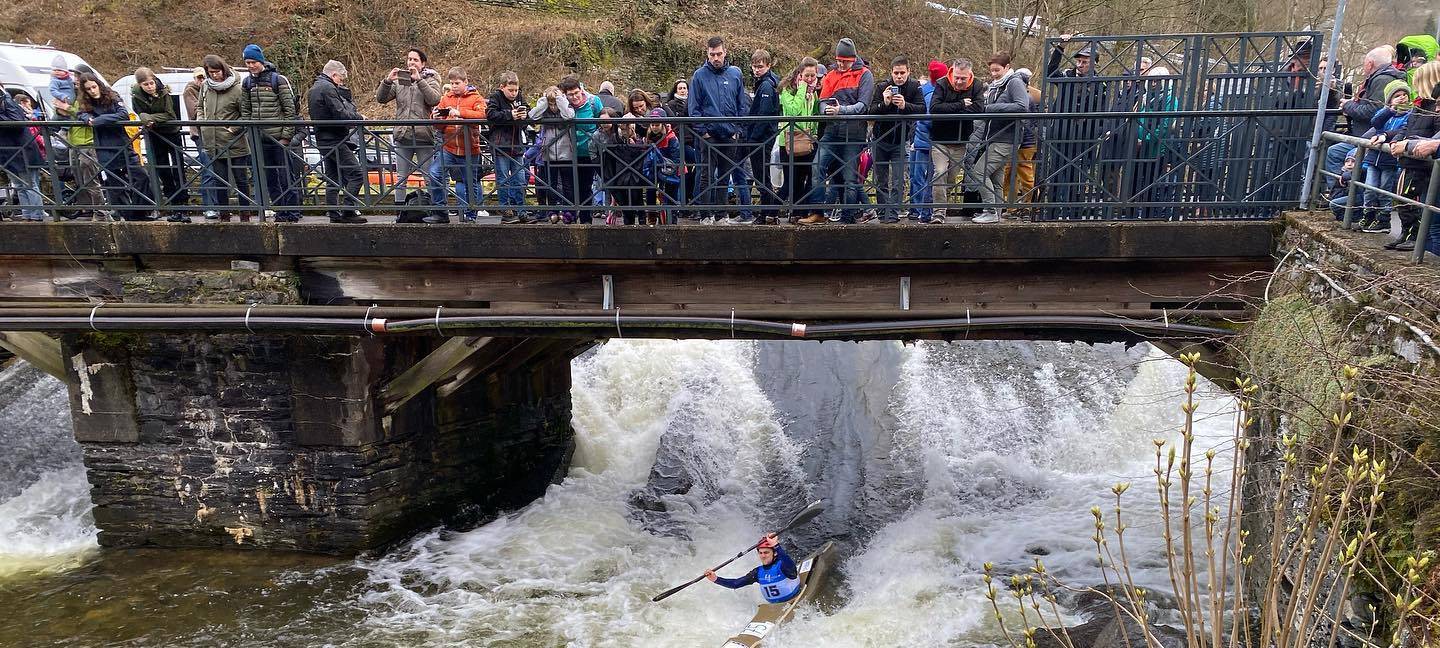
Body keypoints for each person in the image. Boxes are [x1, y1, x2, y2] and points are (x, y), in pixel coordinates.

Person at [800, 38, 873, 225]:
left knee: (850, 177)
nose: (841, 64)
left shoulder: (865, 75)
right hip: (832, 130)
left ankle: (848, 217)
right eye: (839, 60)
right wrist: (826, 110)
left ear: (853, 58)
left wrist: (841, 111)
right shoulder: (831, 75)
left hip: (854, 132)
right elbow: (823, 100)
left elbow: (863, 105)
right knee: (817, 166)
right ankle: (818, 212)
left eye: (845, 61)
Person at [77, 72, 157, 221]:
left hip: (122, 143)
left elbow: (122, 115)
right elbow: (80, 115)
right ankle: (127, 215)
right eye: (89, 89)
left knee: (141, 176)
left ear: (99, 85)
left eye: (94, 87)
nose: (93, 91)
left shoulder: (112, 96)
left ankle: (142, 211)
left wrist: (98, 120)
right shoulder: (85, 105)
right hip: (104, 147)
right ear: (85, 91)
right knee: (115, 185)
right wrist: (88, 118)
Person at [688, 36, 752, 224]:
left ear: (725, 53)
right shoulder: (699, 75)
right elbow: (694, 107)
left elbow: (742, 103)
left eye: (719, 54)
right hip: (709, 135)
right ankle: (706, 214)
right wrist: (703, 131)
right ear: (707, 54)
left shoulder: (735, 74)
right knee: (707, 176)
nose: (716, 58)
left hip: (729, 133)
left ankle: (721, 214)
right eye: (712, 54)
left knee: (724, 176)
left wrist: (737, 129)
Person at [376, 47, 442, 221]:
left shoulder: (432, 79)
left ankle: (434, 211)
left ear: (423, 63)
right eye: (409, 59)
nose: (411, 62)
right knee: (400, 178)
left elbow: (434, 99)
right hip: (403, 134)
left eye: (415, 60)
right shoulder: (400, 80)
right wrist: (387, 81)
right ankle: (400, 213)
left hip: (423, 135)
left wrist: (419, 80)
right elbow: (381, 99)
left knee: (429, 176)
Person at [965, 51, 1030, 223]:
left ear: (1007, 67)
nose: (993, 74)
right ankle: (996, 214)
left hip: (1005, 139)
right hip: (996, 138)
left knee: (979, 172)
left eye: (997, 70)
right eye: (991, 70)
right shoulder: (998, 85)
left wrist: (991, 108)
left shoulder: (1014, 82)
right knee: (996, 178)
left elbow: (1022, 107)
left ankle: (991, 211)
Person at [1045, 35, 1107, 214]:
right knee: (1056, 170)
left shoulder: (1100, 83)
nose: (1080, 65)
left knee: (1078, 174)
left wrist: (1098, 130)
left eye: (1085, 62)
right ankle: (1052, 209)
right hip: (1061, 131)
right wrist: (1061, 47)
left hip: (1083, 135)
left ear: (1094, 64)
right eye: (1079, 61)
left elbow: (1102, 110)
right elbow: (1050, 71)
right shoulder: (1066, 76)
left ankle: (1073, 210)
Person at [239, 44, 302, 222]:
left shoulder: (278, 80)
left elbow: (290, 111)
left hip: (278, 138)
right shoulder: (247, 83)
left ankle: (293, 212)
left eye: (253, 62)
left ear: (261, 61)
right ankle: (280, 211)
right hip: (259, 139)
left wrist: (286, 137)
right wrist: (249, 130)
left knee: (286, 177)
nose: (250, 66)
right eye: (247, 62)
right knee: (270, 179)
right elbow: (246, 109)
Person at [1382, 62, 1440, 252]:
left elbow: (1433, 138)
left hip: (1422, 166)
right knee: (1402, 199)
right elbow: (1406, 127)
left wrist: (1408, 144)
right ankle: (1406, 234)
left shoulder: (1433, 108)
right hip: (1409, 161)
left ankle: (1415, 239)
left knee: (1418, 207)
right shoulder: (1419, 106)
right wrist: (1395, 141)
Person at [308, 59, 366, 224]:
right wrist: (359, 118)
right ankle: (348, 211)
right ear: (334, 75)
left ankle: (334, 213)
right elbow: (340, 114)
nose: (341, 82)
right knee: (356, 174)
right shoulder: (328, 88)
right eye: (341, 79)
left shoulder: (314, 88)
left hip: (323, 138)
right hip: (334, 139)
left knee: (334, 177)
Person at [926, 58, 984, 223]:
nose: (958, 81)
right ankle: (938, 212)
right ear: (952, 72)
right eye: (957, 77)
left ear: (969, 75)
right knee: (940, 173)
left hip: (961, 141)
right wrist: (960, 104)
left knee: (951, 177)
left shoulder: (977, 85)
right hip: (940, 139)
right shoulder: (942, 83)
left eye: (963, 79)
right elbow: (935, 108)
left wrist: (951, 109)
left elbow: (979, 108)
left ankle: (943, 204)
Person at [197, 56, 254, 222]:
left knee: (241, 179)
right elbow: (200, 107)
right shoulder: (205, 87)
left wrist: (233, 129)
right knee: (219, 180)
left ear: (224, 69)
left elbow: (246, 114)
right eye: (211, 72)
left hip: (234, 141)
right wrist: (201, 122)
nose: (214, 75)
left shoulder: (237, 89)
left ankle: (245, 213)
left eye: (217, 71)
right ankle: (224, 214)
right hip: (212, 141)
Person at [869, 56, 925, 223]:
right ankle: (882, 213)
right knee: (880, 179)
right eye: (896, 73)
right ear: (891, 72)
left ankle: (892, 213)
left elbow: (922, 109)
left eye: (902, 73)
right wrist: (884, 104)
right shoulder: (881, 87)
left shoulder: (914, 87)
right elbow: (870, 112)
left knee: (899, 179)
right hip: (880, 139)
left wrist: (904, 106)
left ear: (908, 72)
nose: (899, 76)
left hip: (901, 140)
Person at [131, 67, 190, 220]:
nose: (150, 87)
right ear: (140, 85)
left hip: (171, 132)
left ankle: (183, 204)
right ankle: (172, 204)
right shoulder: (136, 96)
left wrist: (149, 117)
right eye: (146, 85)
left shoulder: (163, 91)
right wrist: (145, 117)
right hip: (155, 135)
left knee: (178, 168)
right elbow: (139, 112)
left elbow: (170, 115)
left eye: (151, 83)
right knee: (162, 169)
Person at [430, 66, 487, 223]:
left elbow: (482, 115)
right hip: (449, 146)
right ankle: (440, 211)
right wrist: (435, 117)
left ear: (465, 82)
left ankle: (471, 214)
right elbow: (438, 126)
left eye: (457, 83)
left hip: (470, 148)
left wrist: (460, 113)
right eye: (452, 83)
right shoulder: (445, 98)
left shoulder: (476, 98)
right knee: (434, 173)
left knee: (470, 182)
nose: (454, 86)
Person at [1355, 80, 1414, 234]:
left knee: (1384, 189)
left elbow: (1403, 131)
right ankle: (1368, 215)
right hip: (1374, 157)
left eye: (1404, 95)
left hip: (1389, 160)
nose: (1402, 98)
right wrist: (1390, 109)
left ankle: (1383, 219)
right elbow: (1376, 122)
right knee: (1370, 188)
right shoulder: (1386, 113)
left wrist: (1385, 137)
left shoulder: (1410, 115)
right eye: (1397, 96)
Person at [486, 71, 533, 224]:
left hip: (517, 143)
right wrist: (510, 115)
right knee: (503, 179)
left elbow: (528, 110)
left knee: (520, 179)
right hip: (500, 144)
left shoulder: (519, 97)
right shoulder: (495, 97)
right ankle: (506, 211)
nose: (513, 93)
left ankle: (521, 210)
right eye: (510, 90)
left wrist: (525, 115)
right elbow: (491, 114)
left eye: (516, 90)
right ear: (502, 88)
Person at [528, 84, 577, 223]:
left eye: (555, 103)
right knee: (551, 184)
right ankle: (553, 210)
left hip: (566, 151)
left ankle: (569, 210)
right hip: (548, 152)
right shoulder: (545, 108)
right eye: (551, 104)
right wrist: (544, 102)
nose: (553, 107)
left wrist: (560, 100)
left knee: (568, 184)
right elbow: (532, 116)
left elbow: (569, 116)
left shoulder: (564, 105)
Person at [779, 57, 820, 223]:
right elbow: (794, 111)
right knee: (791, 181)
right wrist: (802, 88)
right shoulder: (787, 90)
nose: (810, 79)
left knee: (806, 179)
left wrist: (815, 134)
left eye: (812, 76)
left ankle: (800, 213)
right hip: (789, 142)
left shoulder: (813, 93)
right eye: (806, 76)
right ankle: (771, 211)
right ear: (799, 75)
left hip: (807, 142)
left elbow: (813, 115)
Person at [706, 533, 800, 604]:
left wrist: (776, 545)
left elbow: (792, 571)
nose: (763, 556)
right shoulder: (757, 572)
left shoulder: (783, 565)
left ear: (774, 553)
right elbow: (736, 583)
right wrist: (716, 579)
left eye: (766, 552)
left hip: (793, 598)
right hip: (774, 606)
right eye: (761, 553)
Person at [560, 74, 605, 224]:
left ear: (581, 90)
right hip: (568, 151)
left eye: (576, 93)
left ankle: (586, 219)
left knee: (585, 186)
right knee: (569, 186)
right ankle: (570, 216)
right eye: (570, 95)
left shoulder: (593, 102)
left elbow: (602, 120)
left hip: (588, 151)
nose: (574, 97)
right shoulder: (563, 104)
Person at [746, 49, 782, 223]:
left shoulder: (766, 85)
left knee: (761, 176)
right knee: (762, 175)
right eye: (754, 66)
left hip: (762, 138)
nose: (756, 69)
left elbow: (765, 113)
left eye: (760, 66)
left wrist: (753, 137)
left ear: (768, 65)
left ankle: (766, 212)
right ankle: (769, 211)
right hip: (764, 136)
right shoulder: (767, 82)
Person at [908, 60, 945, 222]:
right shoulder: (939, 90)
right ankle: (924, 212)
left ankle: (918, 210)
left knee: (919, 177)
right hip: (930, 140)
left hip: (921, 139)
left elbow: (919, 115)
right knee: (929, 178)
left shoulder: (924, 90)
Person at [0, 90, 46, 221]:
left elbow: (18, 123)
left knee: (29, 184)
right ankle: (27, 215)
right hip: (9, 152)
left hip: (22, 150)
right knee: (19, 186)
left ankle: (37, 215)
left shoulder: (7, 102)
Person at [182, 66, 221, 219]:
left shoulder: (211, 88)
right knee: (208, 170)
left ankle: (218, 206)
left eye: (204, 77)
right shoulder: (190, 90)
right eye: (199, 77)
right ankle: (209, 207)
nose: (202, 80)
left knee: (218, 170)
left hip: (215, 134)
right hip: (201, 134)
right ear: (194, 78)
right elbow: (195, 112)